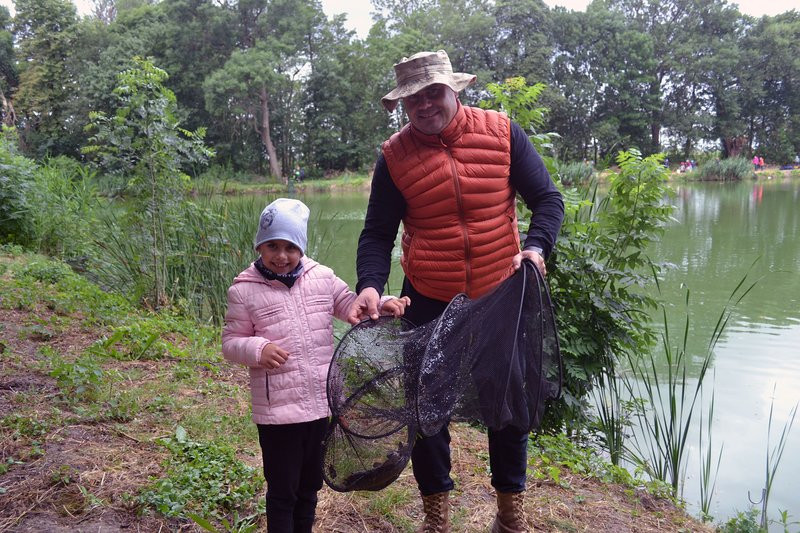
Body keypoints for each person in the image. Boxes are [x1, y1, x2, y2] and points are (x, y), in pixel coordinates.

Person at [346, 50, 564, 533]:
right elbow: (377, 233)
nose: (424, 105)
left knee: (507, 408)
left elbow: (547, 199)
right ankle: (436, 516)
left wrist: (535, 247)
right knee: (427, 411)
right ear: (402, 106)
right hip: (427, 296)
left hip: (499, 291)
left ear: (454, 90)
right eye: (412, 99)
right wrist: (369, 285)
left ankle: (510, 515)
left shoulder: (502, 133)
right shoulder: (395, 157)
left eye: (432, 93)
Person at [222, 198, 409, 533]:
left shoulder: (321, 277)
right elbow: (231, 343)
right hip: (277, 412)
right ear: (260, 246)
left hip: (320, 405)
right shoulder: (244, 290)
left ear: (301, 247)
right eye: (272, 246)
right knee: (283, 491)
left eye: (290, 247)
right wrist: (256, 348)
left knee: (310, 487)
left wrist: (382, 302)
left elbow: (351, 304)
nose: (281, 255)